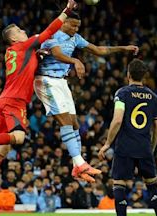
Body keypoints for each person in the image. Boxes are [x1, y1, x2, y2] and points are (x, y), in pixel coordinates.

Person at [0, 0, 78, 199]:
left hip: (5, 99)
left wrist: (39, 56)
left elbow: (26, 66)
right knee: (18, 138)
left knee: (3, 148)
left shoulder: (14, 52)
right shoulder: (23, 46)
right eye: (19, 29)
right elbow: (49, 31)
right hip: (14, 101)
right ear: (14, 38)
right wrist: (66, 11)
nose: (23, 30)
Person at [35, 11, 139, 183]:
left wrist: (123, 48)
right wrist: (75, 61)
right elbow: (57, 54)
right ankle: (79, 163)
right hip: (46, 80)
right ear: (63, 23)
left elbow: (98, 50)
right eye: (73, 25)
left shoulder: (75, 38)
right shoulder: (52, 34)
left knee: (75, 124)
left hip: (61, 82)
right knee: (65, 122)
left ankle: (78, 165)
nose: (75, 29)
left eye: (78, 26)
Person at [98, 59, 157, 216]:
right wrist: (152, 147)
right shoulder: (153, 97)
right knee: (152, 184)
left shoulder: (122, 93)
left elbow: (118, 120)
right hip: (144, 147)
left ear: (128, 74)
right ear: (144, 76)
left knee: (119, 184)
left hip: (125, 146)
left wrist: (107, 143)